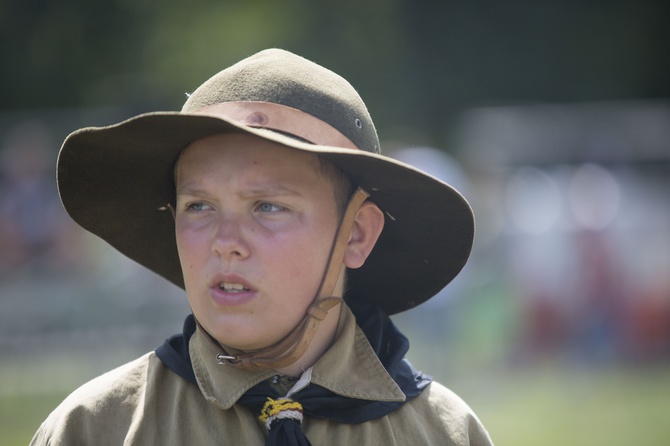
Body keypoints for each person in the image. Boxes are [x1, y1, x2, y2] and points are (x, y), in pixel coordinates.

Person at [31, 48, 493, 445]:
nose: (226, 244)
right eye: (199, 206)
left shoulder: (441, 433)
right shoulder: (96, 429)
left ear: (356, 234)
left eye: (268, 207)